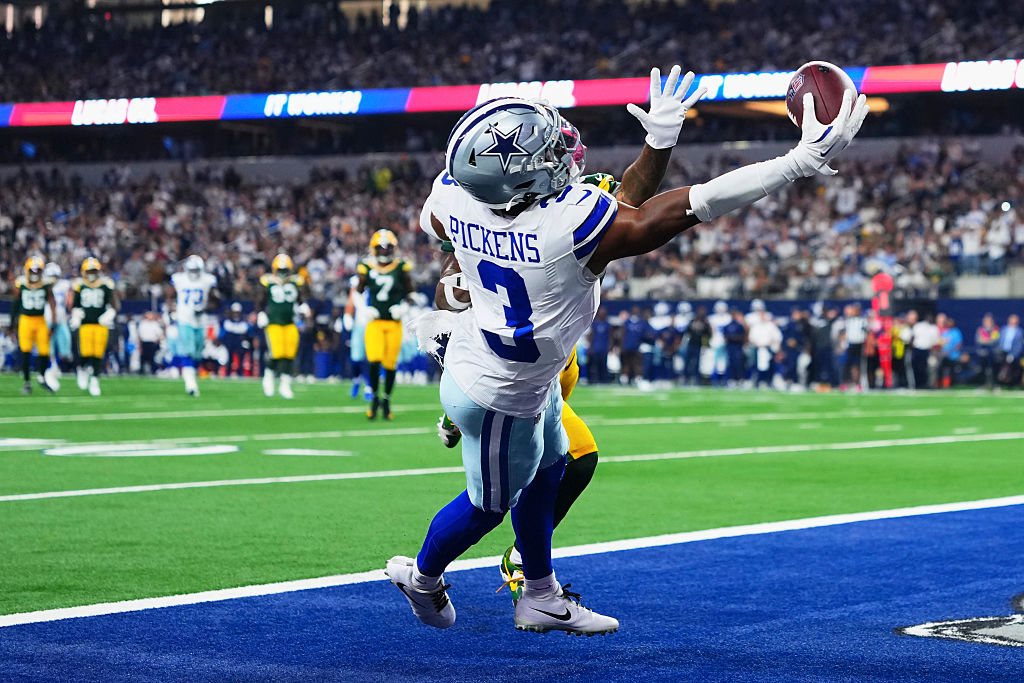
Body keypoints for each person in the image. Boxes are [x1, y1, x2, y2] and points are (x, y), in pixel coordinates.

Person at [387, 67, 868, 635]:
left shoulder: (455, 195)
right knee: (487, 505)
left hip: (499, 361)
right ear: (513, 182)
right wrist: (794, 163)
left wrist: (658, 142)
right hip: (500, 392)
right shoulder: (561, 230)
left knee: (552, 465)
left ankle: (539, 594)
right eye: (543, 150)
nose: (558, 151)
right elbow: (686, 207)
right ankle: (421, 577)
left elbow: (453, 235)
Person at [355, 229, 415, 420]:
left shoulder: (401, 266)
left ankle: (386, 401)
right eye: (380, 248)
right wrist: (364, 309)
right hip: (375, 322)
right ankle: (373, 398)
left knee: (390, 364)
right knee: (374, 359)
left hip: (394, 323)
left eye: (387, 248)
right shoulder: (366, 266)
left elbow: (411, 294)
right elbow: (357, 291)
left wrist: (404, 307)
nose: (383, 252)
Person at [256, 254, 310, 399]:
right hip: (274, 322)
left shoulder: (295, 282)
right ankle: (268, 377)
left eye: (285, 270)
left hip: (291, 322)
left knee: (290, 354)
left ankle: (285, 384)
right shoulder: (268, 281)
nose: (282, 272)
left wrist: (303, 306)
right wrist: (260, 313)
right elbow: (260, 299)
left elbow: (301, 298)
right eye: (280, 269)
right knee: (277, 353)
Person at [167, 255, 218, 396]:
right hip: (184, 319)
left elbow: (216, 301)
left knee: (198, 353)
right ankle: (190, 384)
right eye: (192, 270)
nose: (194, 273)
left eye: (196, 270)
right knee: (188, 350)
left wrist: (204, 308)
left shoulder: (208, 280)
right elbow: (169, 295)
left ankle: (191, 376)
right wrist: (171, 309)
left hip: (201, 320)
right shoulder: (179, 279)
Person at [10, 256, 59, 394]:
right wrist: (12, 321)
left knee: (44, 351)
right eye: (32, 271)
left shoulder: (46, 284)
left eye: (38, 271)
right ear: (27, 271)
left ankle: (42, 377)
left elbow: (52, 303)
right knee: (25, 351)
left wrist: (53, 323)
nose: (35, 274)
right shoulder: (21, 283)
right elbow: (16, 303)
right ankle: (26, 382)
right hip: (26, 320)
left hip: (40, 320)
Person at [70, 257, 118, 396]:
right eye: (89, 271)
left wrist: (111, 313)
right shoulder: (79, 285)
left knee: (98, 353)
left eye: (94, 271)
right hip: (86, 324)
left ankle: (95, 380)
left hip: (101, 324)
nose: (91, 274)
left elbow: (114, 303)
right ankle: (83, 369)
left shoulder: (105, 284)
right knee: (85, 353)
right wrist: (76, 315)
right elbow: (75, 305)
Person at [45, 262, 72, 373]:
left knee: (65, 344)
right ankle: (52, 366)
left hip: (61, 319)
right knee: (48, 346)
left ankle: (59, 365)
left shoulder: (64, 285)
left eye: (55, 276)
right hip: (47, 318)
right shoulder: (44, 285)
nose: (53, 278)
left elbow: (70, 299)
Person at [220, 302, 255, 377]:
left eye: (237, 312)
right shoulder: (227, 322)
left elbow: (251, 333)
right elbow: (222, 335)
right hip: (230, 344)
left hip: (240, 344)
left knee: (241, 357)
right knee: (229, 358)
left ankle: (241, 373)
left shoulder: (244, 323)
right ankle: (228, 373)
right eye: (234, 312)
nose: (236, 314)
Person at [975, 314, 1000, 389]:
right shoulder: (980, 330)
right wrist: (988, 340)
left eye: (989, 321)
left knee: (994, 370)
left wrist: (985, 340)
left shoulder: (995, 330)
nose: (988, 323)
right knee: (982, 370)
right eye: (986, 321)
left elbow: (995, 341)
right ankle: (982, 385)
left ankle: (994, 385)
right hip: (983, 353)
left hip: (993, 354)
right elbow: (978, 340)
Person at [998, 314, 1022, 388]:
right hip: (1002, 352)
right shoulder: (1003, 330)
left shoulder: (1020, 332)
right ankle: (999, 383)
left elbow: (1019, 346)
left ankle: (1011, 384)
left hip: (1013, 354)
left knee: (1013, 369)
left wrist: (1013, 355)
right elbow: (999, 341)